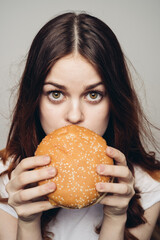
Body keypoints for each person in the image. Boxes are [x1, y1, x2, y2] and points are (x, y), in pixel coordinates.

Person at [0, 12, 160, 240]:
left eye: (93, 94)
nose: (74, 116)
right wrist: (27, 224)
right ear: (35, 99)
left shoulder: (149, 185)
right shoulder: (6, 180)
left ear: (113, 99)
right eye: (56, 94)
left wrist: (116, 218)